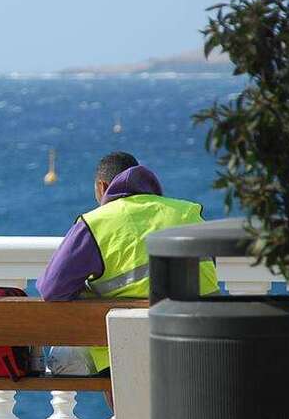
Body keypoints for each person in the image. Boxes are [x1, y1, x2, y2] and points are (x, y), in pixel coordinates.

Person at [37, 151, 219, 379]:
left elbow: (51, 289)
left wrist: (92, 294)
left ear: (102, 187)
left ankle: (122, 415)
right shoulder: (189, 212)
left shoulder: (95, 223)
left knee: (61, 359)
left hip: (125, 356)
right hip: (201, 345)